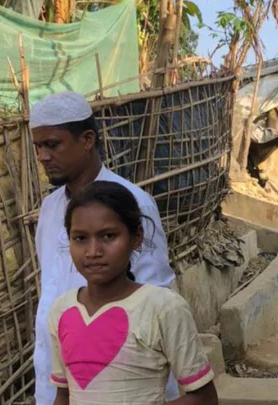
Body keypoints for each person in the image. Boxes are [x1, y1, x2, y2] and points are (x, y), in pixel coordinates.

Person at [31, 92, 177, 405]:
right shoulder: (49, 209)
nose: (43, 156)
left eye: (52, 144)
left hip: (123, 387)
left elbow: (153, 303)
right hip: (58, 382)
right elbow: (51, 293)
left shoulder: (132, 203)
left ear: (86, 140)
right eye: (37, 147)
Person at [49, 181, 218, 405]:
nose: (93, 252)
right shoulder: (62, 310)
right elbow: (63, 395)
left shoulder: (162, 308)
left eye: (108, 236)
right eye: (80, 238)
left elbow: (204, 398)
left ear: (136, 237)